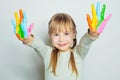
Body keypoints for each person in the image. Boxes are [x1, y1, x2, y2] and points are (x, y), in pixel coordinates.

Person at [22, 13, 99, 80]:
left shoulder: (79, 52)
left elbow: (85, 43)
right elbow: (39, 45)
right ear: (50, 36)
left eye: (66, 34)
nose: (61, 39)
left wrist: (92, 34)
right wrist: (27, 38)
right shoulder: (48, 53)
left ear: (74, 35)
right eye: (56, 34)